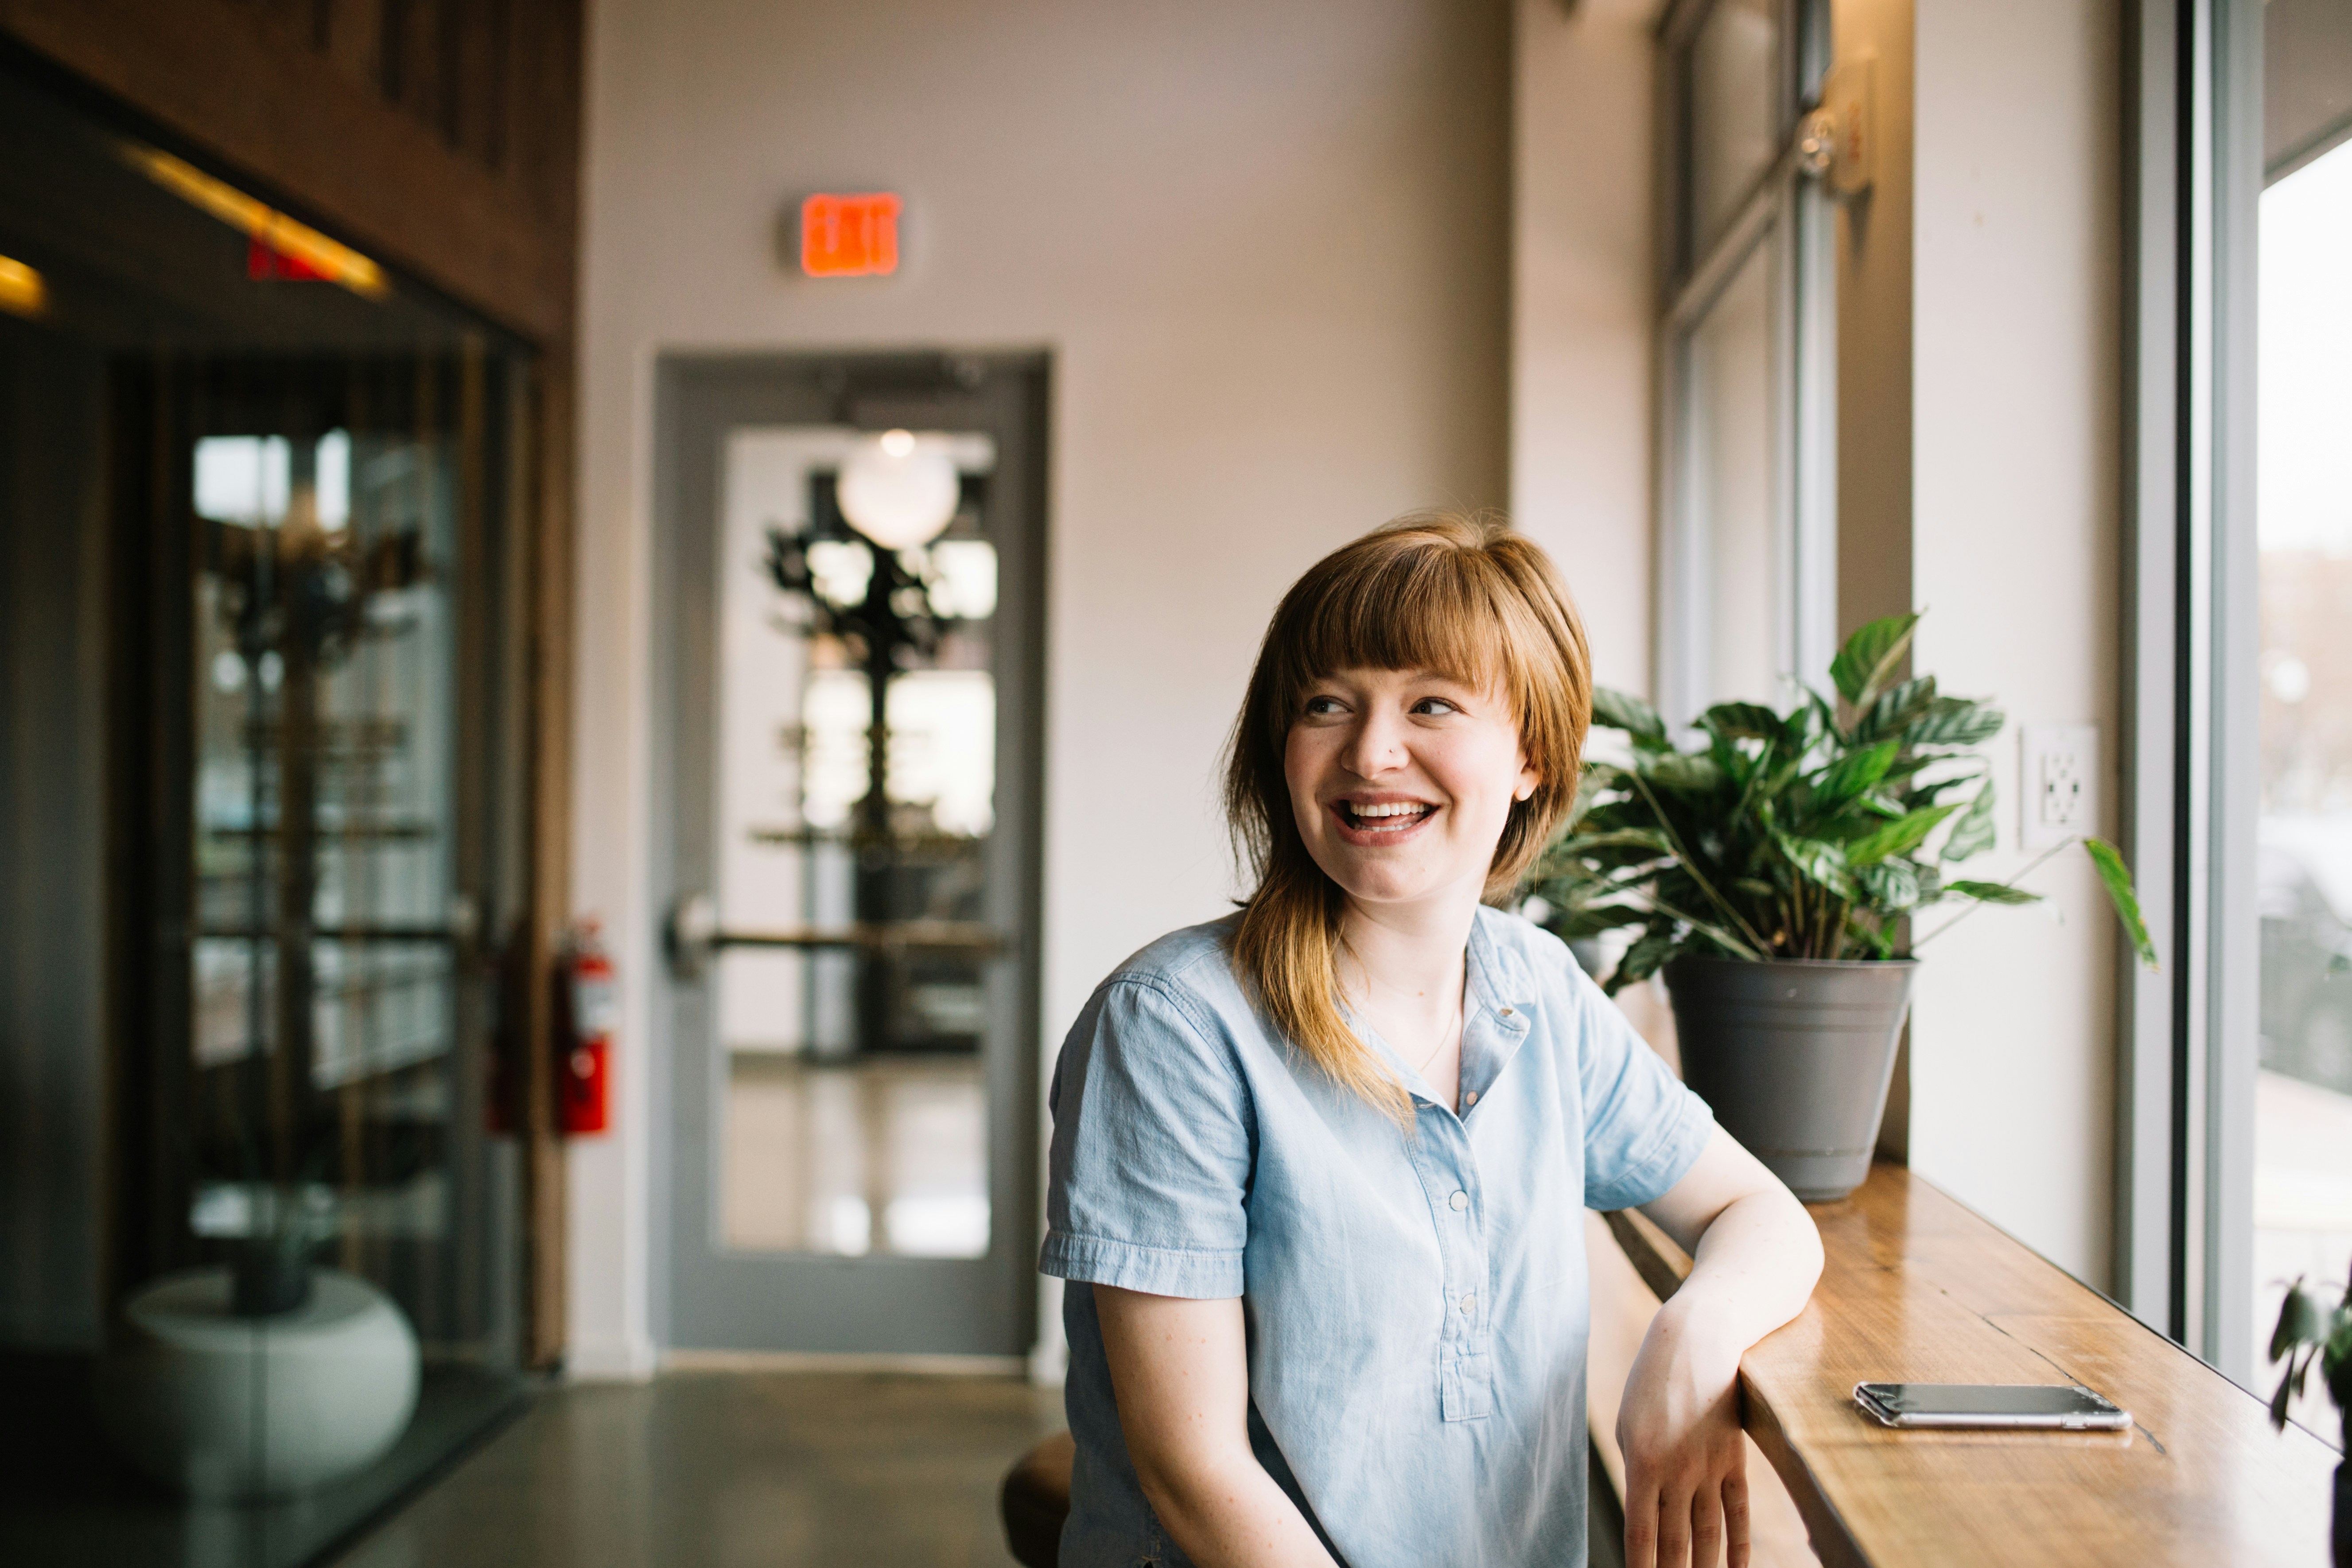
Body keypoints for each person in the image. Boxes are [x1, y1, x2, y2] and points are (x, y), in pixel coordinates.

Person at [1041, 514, 1823, 1568]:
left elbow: (1759, 1212)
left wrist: (1693, 1335)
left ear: (1531, 758)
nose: (1370, 752)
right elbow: (1196, 1474)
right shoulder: (1173, 1025)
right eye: (1327, 704)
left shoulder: (1537, 988)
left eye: (1431, 705)